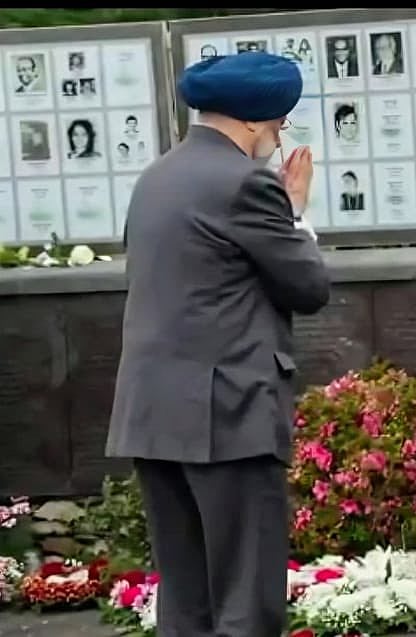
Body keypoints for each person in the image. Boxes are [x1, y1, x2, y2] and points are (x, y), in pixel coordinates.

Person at [105, 51, 329, 637]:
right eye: (280, 124)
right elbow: (307, 287)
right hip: (226, 415)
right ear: (255, 121)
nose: (280, 136)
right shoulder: (247, 182)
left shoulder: (156, 176)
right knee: (244, 598)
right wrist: (295, 212)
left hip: (153, 413)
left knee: (187, 599)